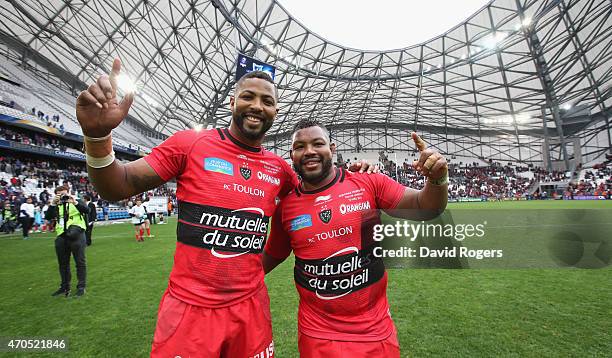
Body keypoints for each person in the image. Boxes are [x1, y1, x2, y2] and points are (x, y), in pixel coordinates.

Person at [76, 58, 375, 357]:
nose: (257, 105)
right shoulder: (190, 144)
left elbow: (315, 194)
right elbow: (118, 186)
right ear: (232, 102)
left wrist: (355, 177)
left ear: (275, 111)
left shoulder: (279, 170)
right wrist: (97, 137)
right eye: (248, 97)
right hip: (190, 311)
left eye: (267, 101)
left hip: (252, 311)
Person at [263, 119, 448, 357]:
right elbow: (271, 256)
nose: (309, 151)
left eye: (317, 143)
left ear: (332, 149)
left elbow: (425, 207)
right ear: (292, 155)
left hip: (374, 331)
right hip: (317, 334)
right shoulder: (285, 209)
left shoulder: (368, 182)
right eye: (300, 147)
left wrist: (437, 179)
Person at [47, 185, 89, 297]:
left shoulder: (76, 201)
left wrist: (74, 202)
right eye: (60, 194)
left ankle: (81, 287)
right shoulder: (56, 205)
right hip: (61, 235)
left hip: (77, 234)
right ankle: (64, 286)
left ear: (69, 192)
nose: (63, 196)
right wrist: (52, 204)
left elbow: (87, 210)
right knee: (63, 264)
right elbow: (48, 216)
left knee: (80, 262)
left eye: (64, 193)